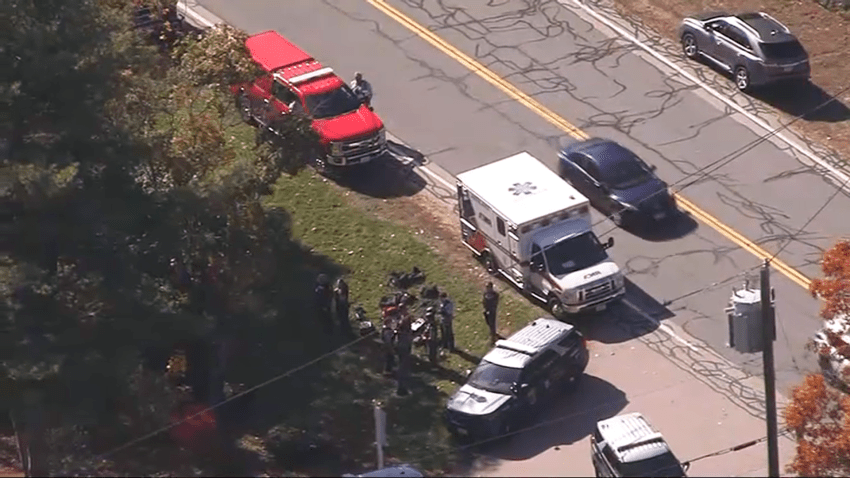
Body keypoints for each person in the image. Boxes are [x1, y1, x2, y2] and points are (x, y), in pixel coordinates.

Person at [395, 314, 413, 396]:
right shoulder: (403, 333)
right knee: (403, 370)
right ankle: (401, 389)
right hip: (403, 351)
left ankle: (402, 387)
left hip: (403, 350)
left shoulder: (402, 332)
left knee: (403, 369)